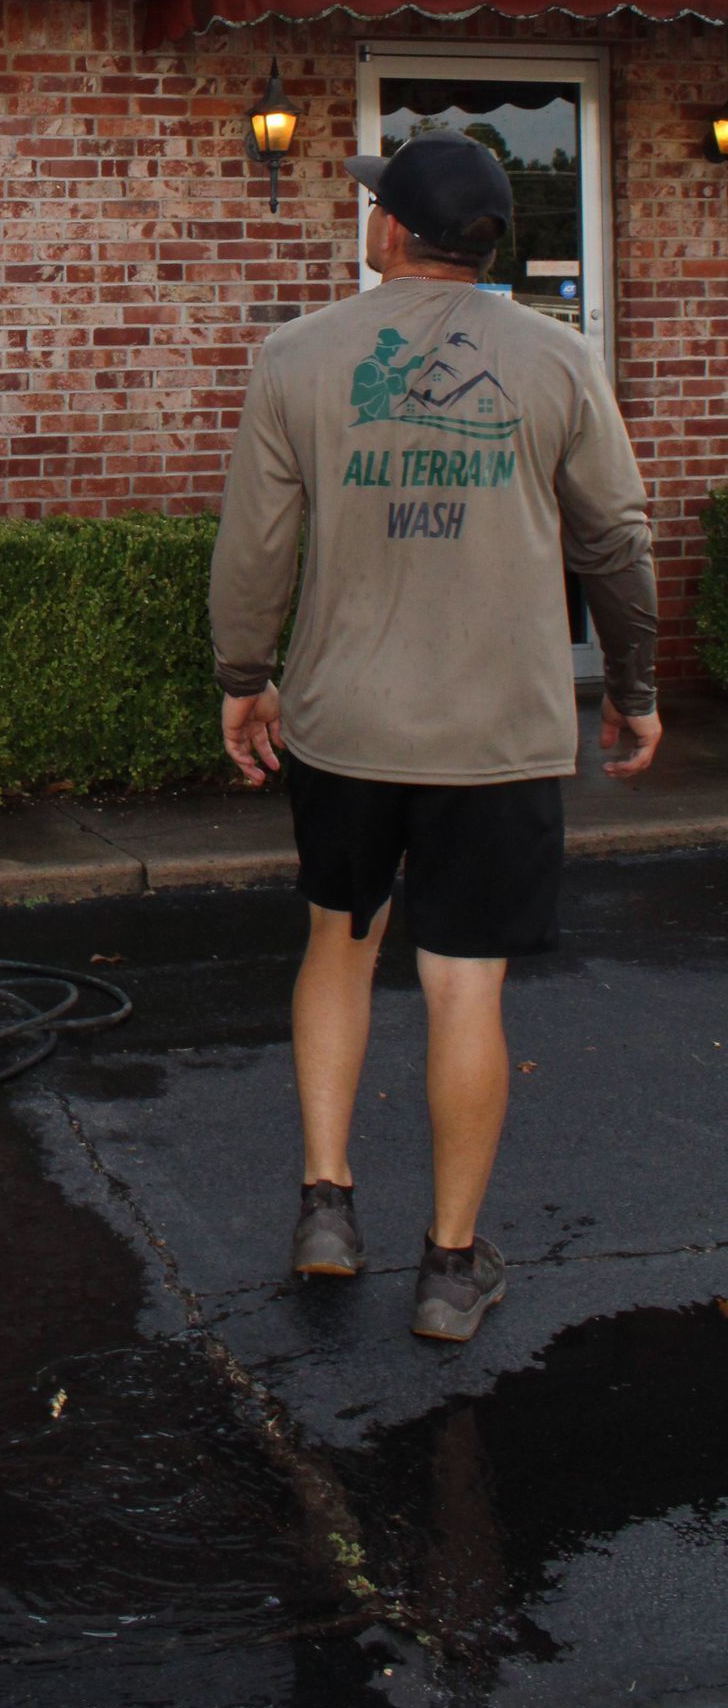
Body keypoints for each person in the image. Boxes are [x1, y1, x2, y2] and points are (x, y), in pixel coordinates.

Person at [209, 128, 660, 1343]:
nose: (366, 219)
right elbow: (615, 538)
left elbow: (254, 551)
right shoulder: (558, 360)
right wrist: (636, 685)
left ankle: (324, 1207)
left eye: (375, 208)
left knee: (340, 946)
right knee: (466, 991)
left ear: (398, 233)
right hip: (496, 733)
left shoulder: (299, 357)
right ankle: (452, 1271)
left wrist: (244, 676)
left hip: (348, 726)